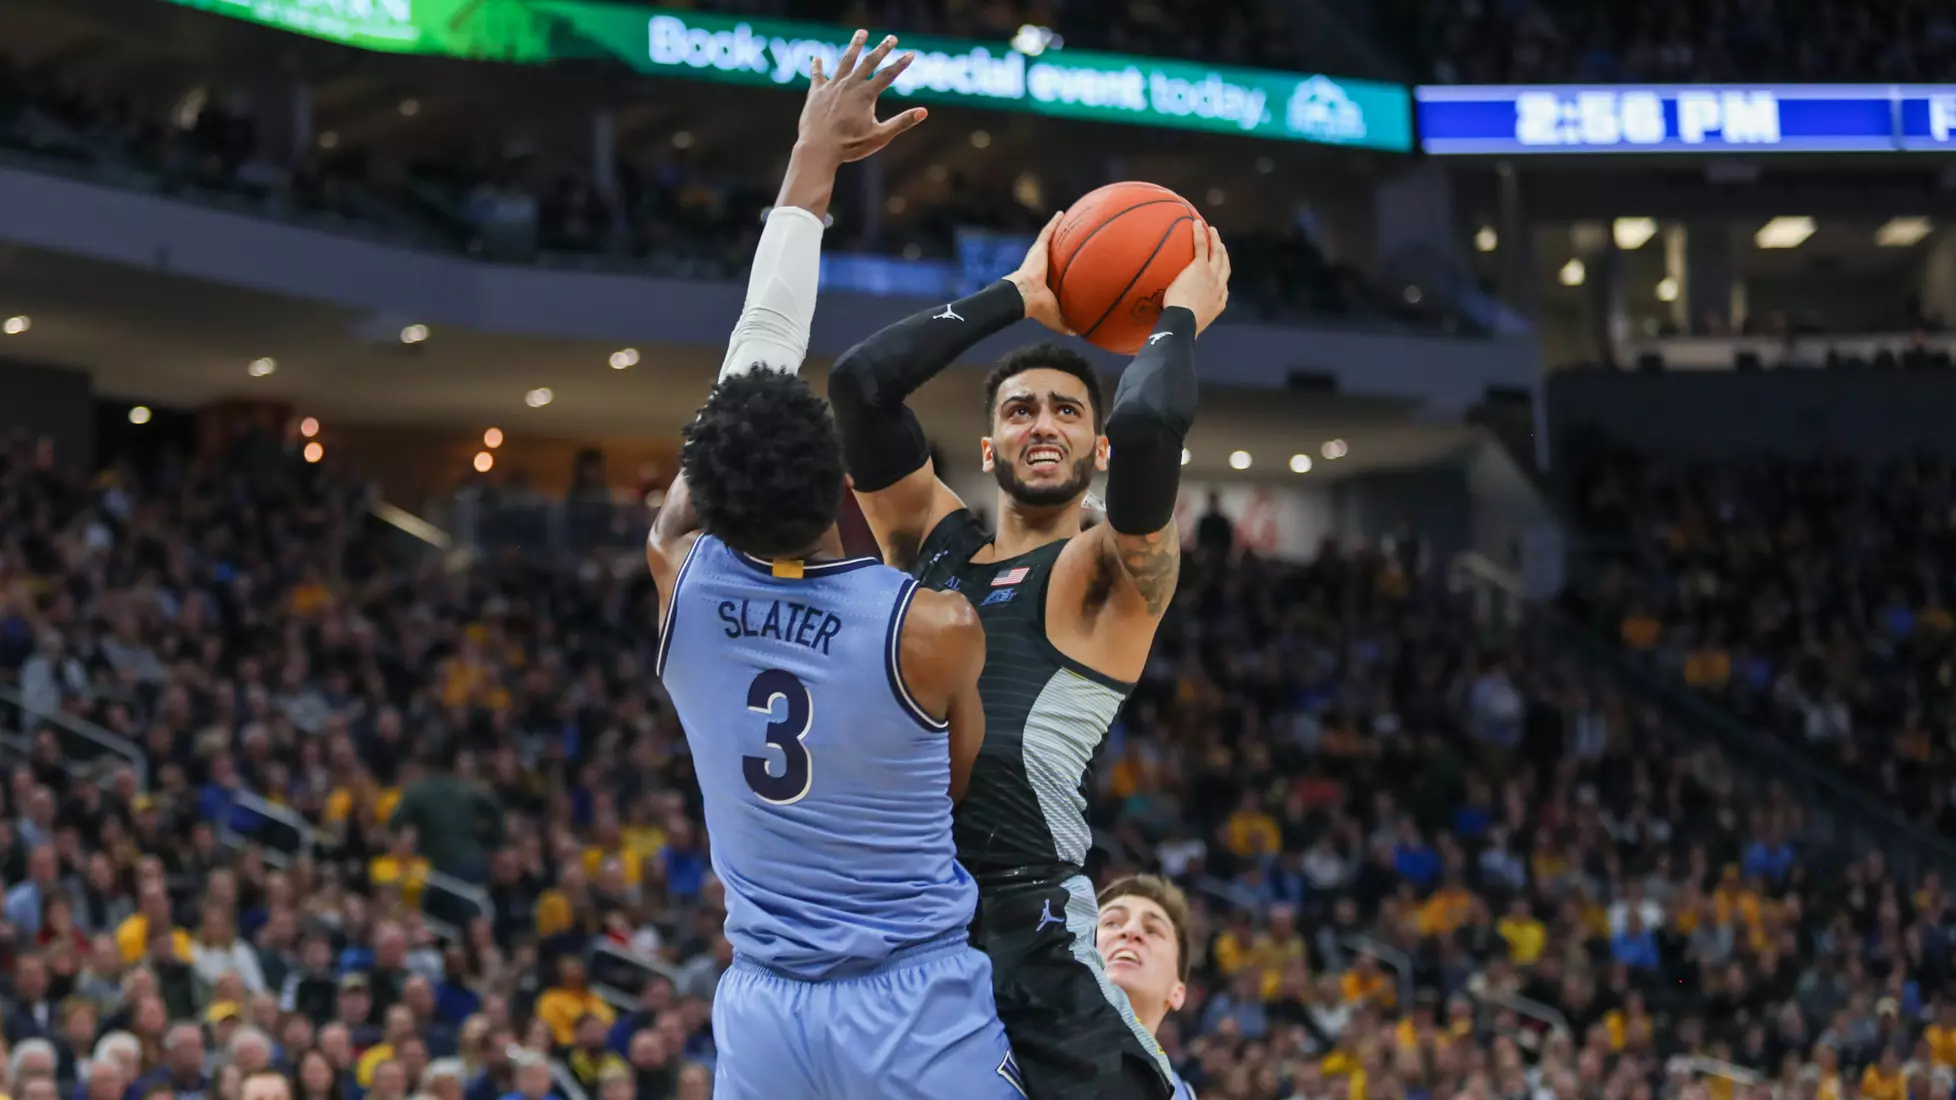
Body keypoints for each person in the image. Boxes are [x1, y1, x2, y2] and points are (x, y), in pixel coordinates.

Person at [644, 30, 1023, 1100]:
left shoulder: (681, 576)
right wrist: (816, 159)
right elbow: (949, 786)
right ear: (841, 488)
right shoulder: (932, 627)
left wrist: (809, 164)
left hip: (763, 1006)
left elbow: (747, 366)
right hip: (909, 1001)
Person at [827, 187, 1232, 1099]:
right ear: (988, 442)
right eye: (1020, 411)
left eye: (1063, 412)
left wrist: (1178, 314)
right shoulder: (930, 539)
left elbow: (1148, 423)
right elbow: (860, 384)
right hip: (906, 914)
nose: (1041, 423)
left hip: (1027, 919)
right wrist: (1014, 292)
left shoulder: (1109, 573)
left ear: (1095, 452)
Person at [1096, 876, 1198, 1100]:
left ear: (1177, 992)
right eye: (1111, 922)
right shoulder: (1008, 1038)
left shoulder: (1180, 1095)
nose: (1131, 931)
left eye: (1153, 930)